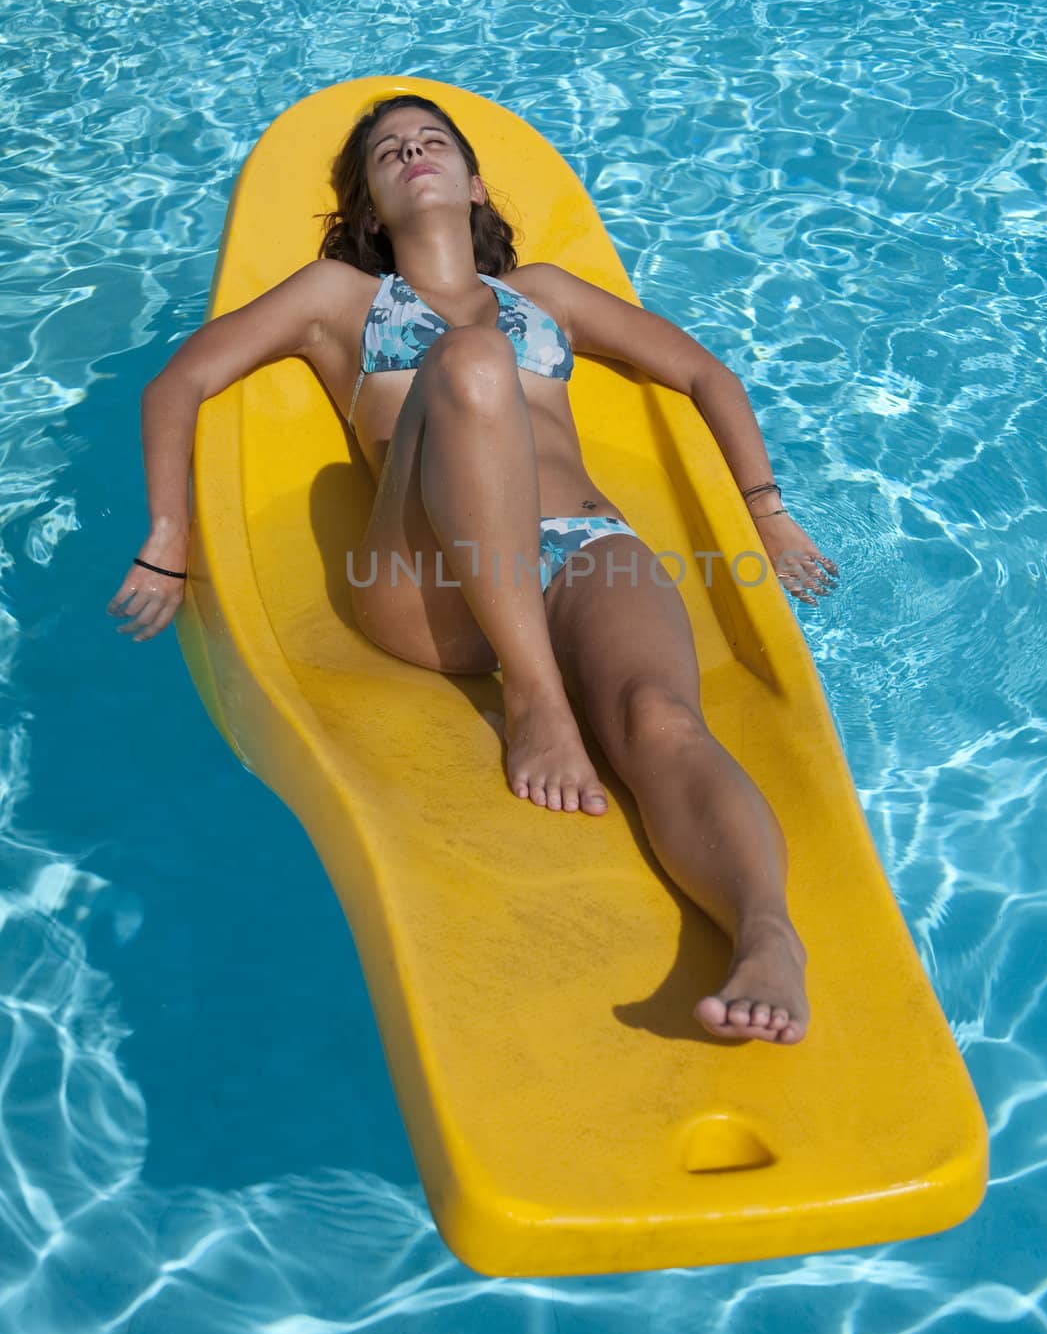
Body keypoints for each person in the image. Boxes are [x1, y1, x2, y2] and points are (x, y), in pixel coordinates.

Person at [108, 94, 840, 1045]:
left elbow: (705, 375)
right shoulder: (337, 298)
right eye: (388, 153)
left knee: (661, 718)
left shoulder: (550, 293)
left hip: (583, 555)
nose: (414, 154)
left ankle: (768, 937)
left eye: (432, 143)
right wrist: (166, 539)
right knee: (474, 363)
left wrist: (767, 514)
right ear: (369, 209)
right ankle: (537, 697)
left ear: (474, 181)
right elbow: (180, 383)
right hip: (431, 580)